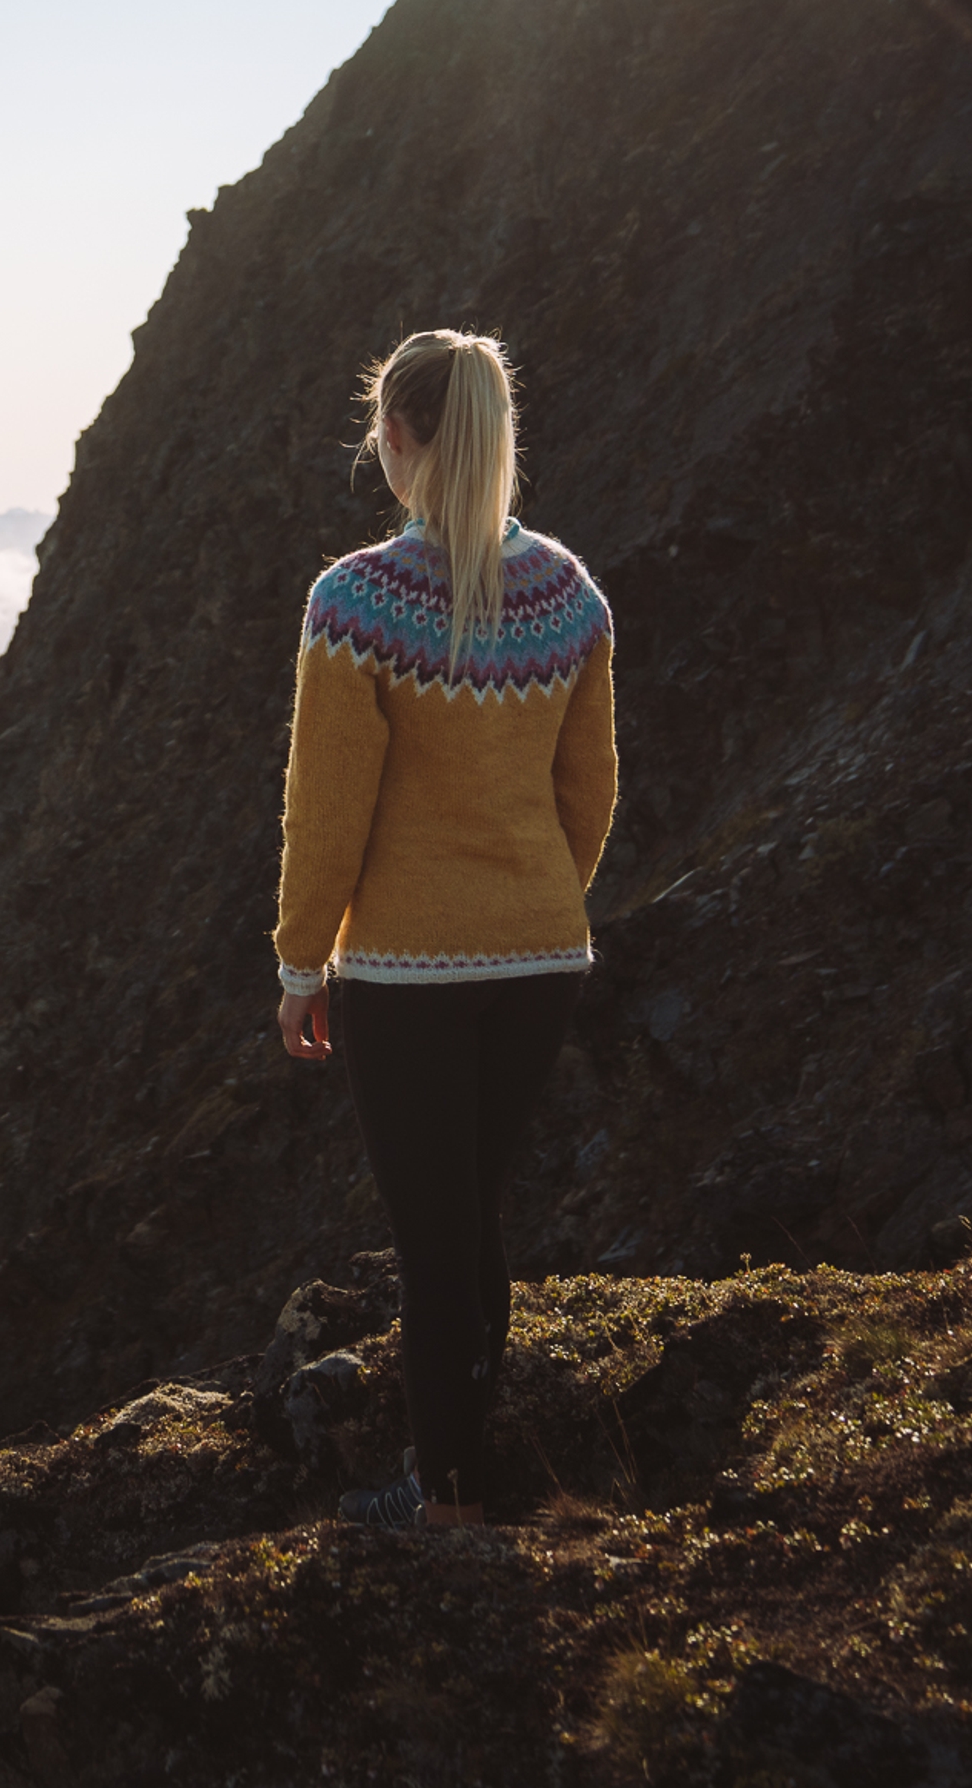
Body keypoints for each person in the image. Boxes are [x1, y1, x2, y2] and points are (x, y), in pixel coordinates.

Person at [273, 329, 617, 1530]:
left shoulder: (355, 602)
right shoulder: (570, 592)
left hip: (409, 969)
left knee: (434, 1247)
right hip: (543, 957)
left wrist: (299, 963)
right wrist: (534, 901)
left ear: (400, 438)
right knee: (470, 1222)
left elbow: (328, 812)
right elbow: (592, 793)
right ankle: (469, 1473)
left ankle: (450, 1502)